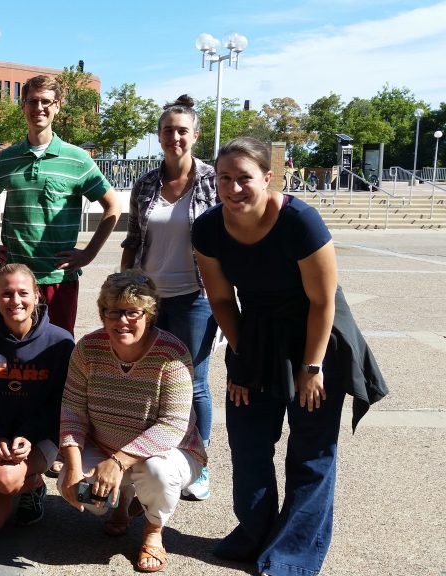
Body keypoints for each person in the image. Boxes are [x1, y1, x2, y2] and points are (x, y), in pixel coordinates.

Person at [192, 137, 387, 576]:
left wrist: (312, 368)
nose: (234, 188)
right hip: (256, 331)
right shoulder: (207, 229)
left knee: (310, 450)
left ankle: (294, 552)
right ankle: (256, 533)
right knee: (248, 440)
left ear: (268, 178)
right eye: (225, 178)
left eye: (245, 178)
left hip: (316, 334)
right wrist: (241, 358)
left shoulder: (301, 222)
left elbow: (323, 303)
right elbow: (222, 301)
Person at [58, 270, 207, 573]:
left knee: (156, 473)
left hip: (169, 453)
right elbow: (73, 409)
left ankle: (153, 531)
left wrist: (117, 462)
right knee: (70, 486)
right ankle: (123, 504)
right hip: (105, 445)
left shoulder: (172, 354)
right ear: (103, 313)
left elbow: (173, 426)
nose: (122, 321)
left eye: (133, 312)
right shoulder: (88, 348)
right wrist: (73, 466)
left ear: (149, 314)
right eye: (114, 312)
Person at [120, 95, 217, 501]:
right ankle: (153, 454)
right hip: (149, 298)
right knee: (148, 378)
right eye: (167, 130)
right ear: (159, 136)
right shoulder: (146, 184)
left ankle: (198, 464)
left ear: (195, 135)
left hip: (195, 296)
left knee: (193, 381)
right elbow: (135, 239)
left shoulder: (213, 180)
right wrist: (123, 285)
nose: (174, 137)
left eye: (182, 130)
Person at [0, 74, 122, 336]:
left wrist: (88, 254)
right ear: (23, 105)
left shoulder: (77, 159)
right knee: (14, 352)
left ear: (57, 106)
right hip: (16, 279)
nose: (39, 108)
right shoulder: (5, 160)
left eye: (46, 102)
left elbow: (112, 207)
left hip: (58, 280)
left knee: (57, 352)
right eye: (32, 101)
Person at [0, 263, 74, 533]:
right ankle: (21, 482)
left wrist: (28, 435)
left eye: (23, 292)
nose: (15, 301)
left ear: (37, 296)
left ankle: (31, 483)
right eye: (7, 294)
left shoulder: (61, 342)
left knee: (6, 478)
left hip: (37, 440)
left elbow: (62, 402)